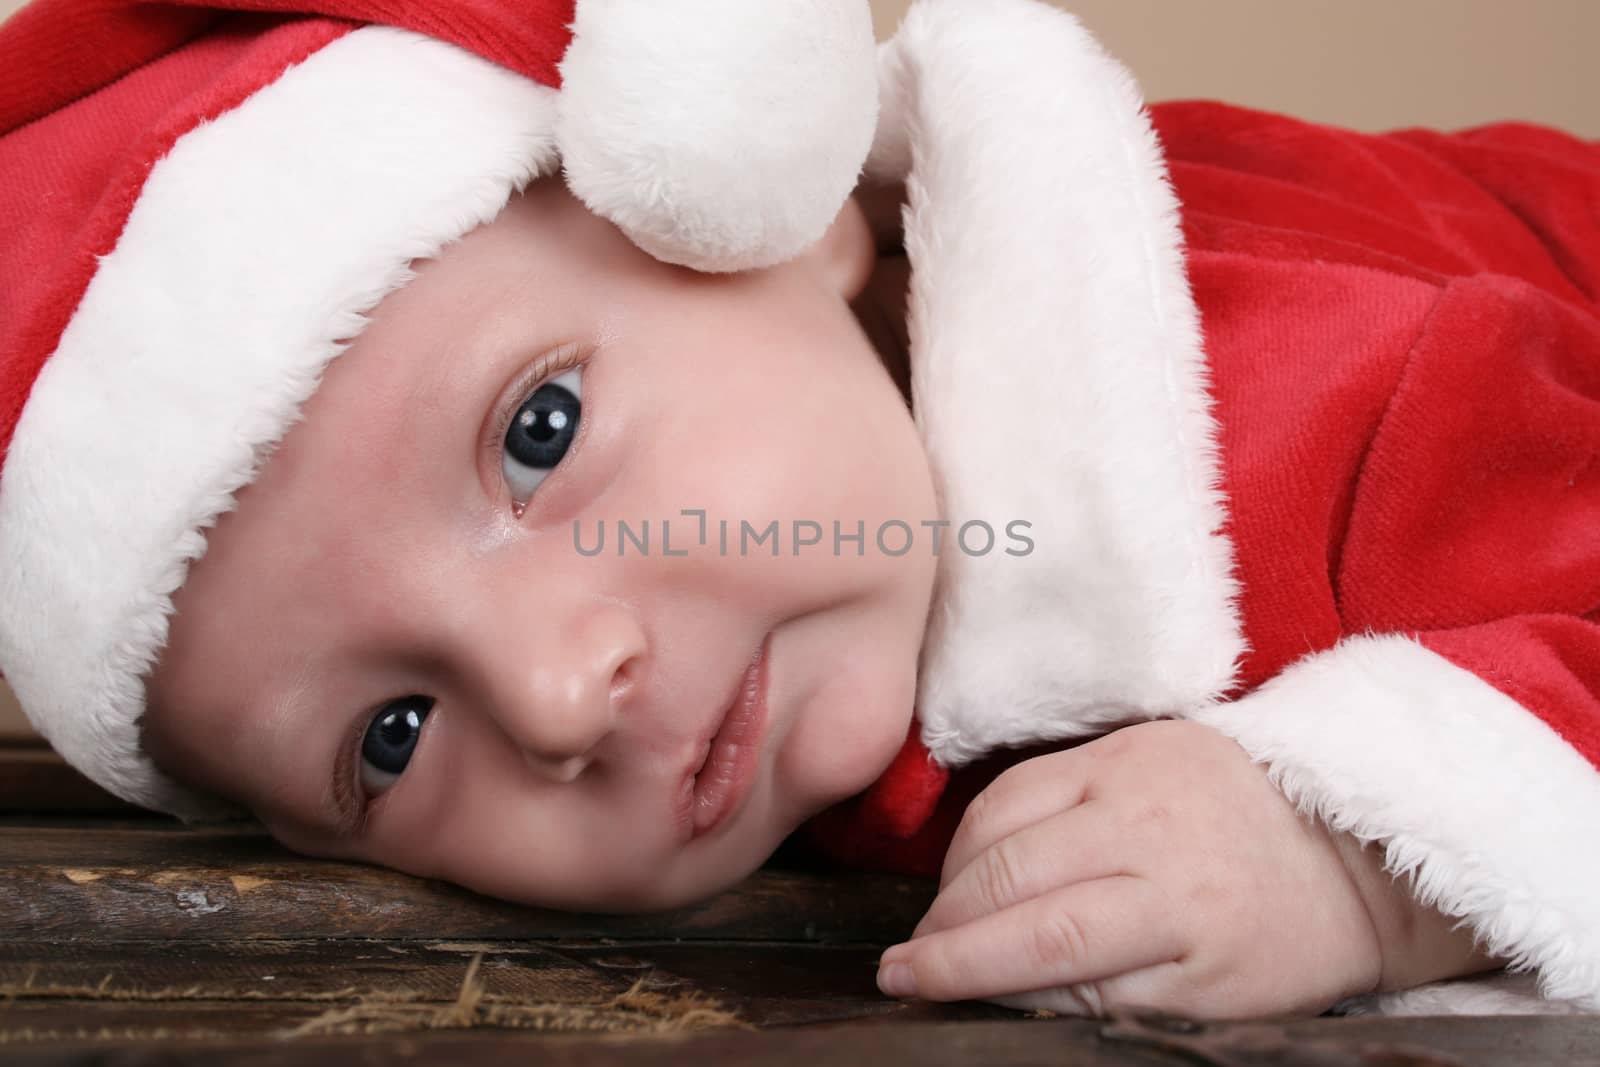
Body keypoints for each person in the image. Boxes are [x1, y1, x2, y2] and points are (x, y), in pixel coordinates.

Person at [2, 0, 1597, 1019]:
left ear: (782, 217)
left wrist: (1362, 851)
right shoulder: (787, 620)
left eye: (539, 436)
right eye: (389, 739)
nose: (558, 697)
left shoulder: (1317, 401)